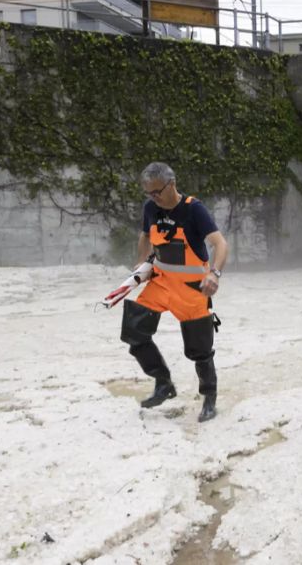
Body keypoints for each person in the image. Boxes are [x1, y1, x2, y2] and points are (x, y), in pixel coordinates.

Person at [120, 162, 228, 422]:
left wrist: (214, 273)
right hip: (161, 283)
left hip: (192, 289)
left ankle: (209, 398)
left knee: (200, 350)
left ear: (172, 184)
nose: (154, 198)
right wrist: (141, 261)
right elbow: (145, 236)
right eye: (149, 193)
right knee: (134, 332)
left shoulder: (194, 210)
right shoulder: (150, 209)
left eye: (157, 192)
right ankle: (163, 383)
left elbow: (219, 242)